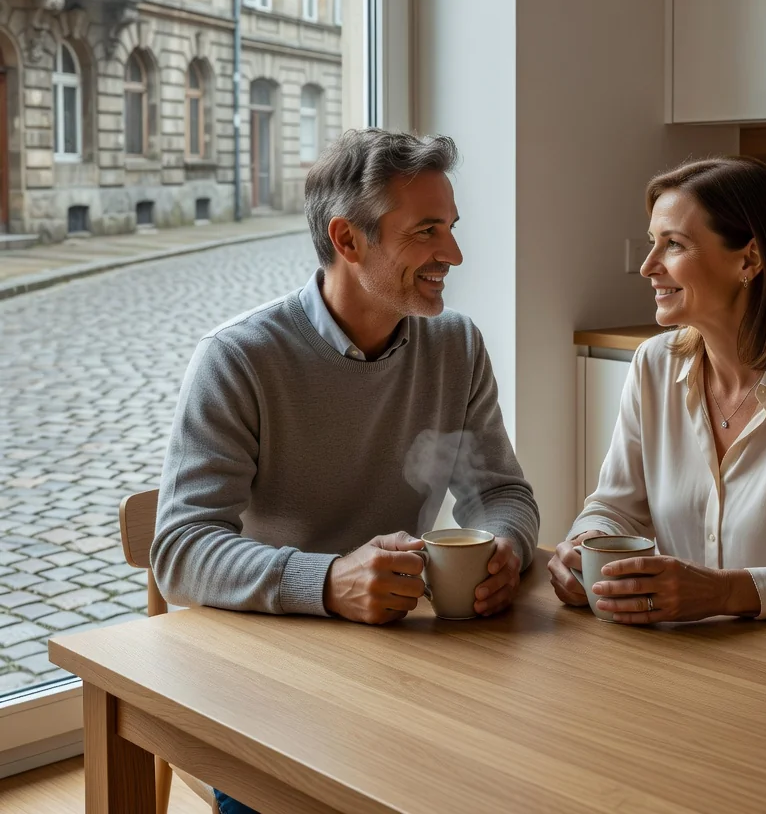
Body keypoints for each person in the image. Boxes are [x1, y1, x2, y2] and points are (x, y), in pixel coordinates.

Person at [151, 129, 539, 814]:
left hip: (404, 665)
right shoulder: (239, 359)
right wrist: (328, 581)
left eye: (449, 228)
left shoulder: (456, 345)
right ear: (348, 239)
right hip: (265, 676)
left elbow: (500, 492)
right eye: (426, 232)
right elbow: (180, 553)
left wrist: (506, 545)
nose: (453, 254)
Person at [548, 156, 766, 629]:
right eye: (651, 243)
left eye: (673, 244)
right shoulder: (654, 366)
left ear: (749, 259)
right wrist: (587, 544)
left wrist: (725, 591)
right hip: (705, 661)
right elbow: (616, 507)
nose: (647, 266)